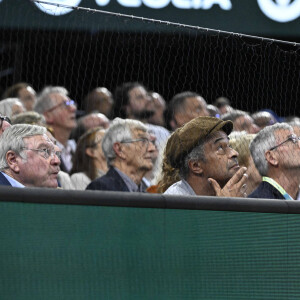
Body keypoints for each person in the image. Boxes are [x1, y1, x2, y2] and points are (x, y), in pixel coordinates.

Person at [163, 116, 248, 197]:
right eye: (220, 148)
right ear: (196, 165)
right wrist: (226, 208)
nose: (234, 153)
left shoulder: (230, 193)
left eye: (229, 146)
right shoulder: (176, 202)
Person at [86, 118, 156, 192]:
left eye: (152, 142)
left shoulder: (147, 191)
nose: (152, 148)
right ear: (119, 149)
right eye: (143, 141)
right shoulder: (101, 188)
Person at [249, 123, 300, 200]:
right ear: (271, 157)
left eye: (298, 139)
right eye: (292, 140)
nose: (299, 144)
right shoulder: (257, 204)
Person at [34, 86, 77, 173]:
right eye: (65, 104)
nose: (73, 108)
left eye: (71, 103)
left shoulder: (76, 149)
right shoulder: (42, 154)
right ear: (48, 116)